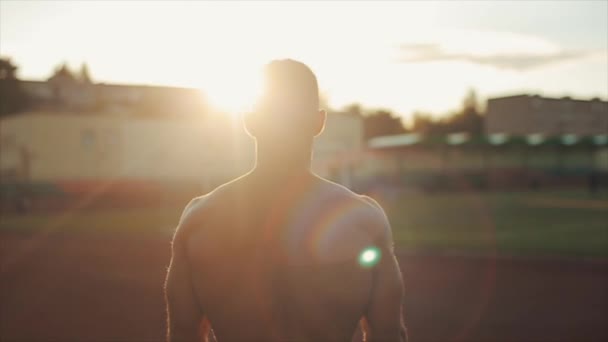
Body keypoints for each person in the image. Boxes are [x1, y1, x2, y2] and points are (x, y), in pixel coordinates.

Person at [165, 59, 407, 342]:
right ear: (319, 123)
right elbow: (388, 335)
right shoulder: (363, 221)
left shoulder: (199, 220)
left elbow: (183, 335)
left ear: (249, 120)